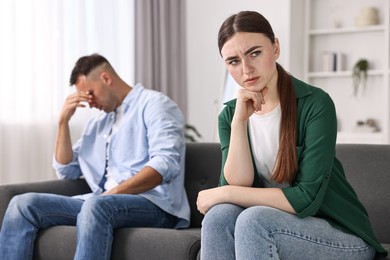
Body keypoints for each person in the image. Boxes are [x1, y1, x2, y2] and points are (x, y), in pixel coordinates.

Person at [196, 11, 387, 260]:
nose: (246, 69)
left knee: (254, 220)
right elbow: (238, 183)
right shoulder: (231, 115)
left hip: (342, 238)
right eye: (233, 61)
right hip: (278, 225)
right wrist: (240, 122)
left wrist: (224, 193)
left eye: (255, 53)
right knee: (219, 217)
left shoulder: (316, 104)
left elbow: (304, 199)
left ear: (275, 47)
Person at [0, 53, 190, 260]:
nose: (89, 103)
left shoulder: (154, 104)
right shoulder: (98, 122)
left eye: (90, 94)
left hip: (154, 204)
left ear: (106, 79)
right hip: (102, 203)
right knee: (22, 204)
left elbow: (165, 163)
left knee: (95, 205)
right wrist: (63, 122)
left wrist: (114, 193)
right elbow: (67, 169)